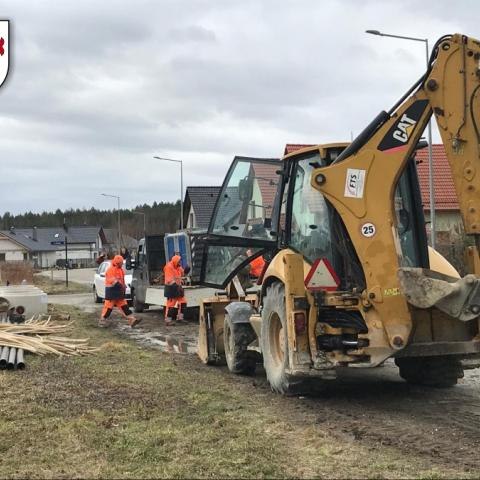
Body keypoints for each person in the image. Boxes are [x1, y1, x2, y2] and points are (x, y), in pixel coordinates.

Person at [100, 255, 140, 328]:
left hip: (119, 292)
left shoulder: (120, 269)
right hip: (111, 292)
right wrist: (121, 285)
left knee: (125, 307)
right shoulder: (110, 270)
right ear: (117, 263)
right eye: (121, 263)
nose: (122, 264)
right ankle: (102, 320)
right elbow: (113, 281)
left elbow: (121, 280)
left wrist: (123, 286)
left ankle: (132, 320)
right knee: (108, 308)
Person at [163, 254, 187, 326]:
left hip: (177, 287)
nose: (180, 263)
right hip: (171, 288)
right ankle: (168, 321)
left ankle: (180, 318)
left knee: (183, 302)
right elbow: (169, 280)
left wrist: (186, 271)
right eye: (179, 261)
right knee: (171, 305)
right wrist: (177, 286)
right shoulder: (169, 267)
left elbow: (182, 273)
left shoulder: (178, 266)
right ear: (175, 261)